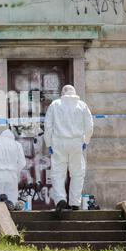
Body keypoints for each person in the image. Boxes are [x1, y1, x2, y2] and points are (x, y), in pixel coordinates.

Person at [44, 85, 94, 216]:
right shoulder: (82, 105)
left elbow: (48, 126)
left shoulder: (55, 105)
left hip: (58, 142)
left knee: (57, 174)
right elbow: (89, 126)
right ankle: (75, 203)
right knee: (77, 173)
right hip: (76, 142)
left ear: (62, 93)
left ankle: (60, 199)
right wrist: (85, 141)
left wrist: (48, 143)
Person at [0, 129, 26, 209]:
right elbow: (22, 163)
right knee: (12, 199)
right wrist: (15, 172)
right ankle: (11, 218)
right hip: (11, 175)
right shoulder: (17, 145)